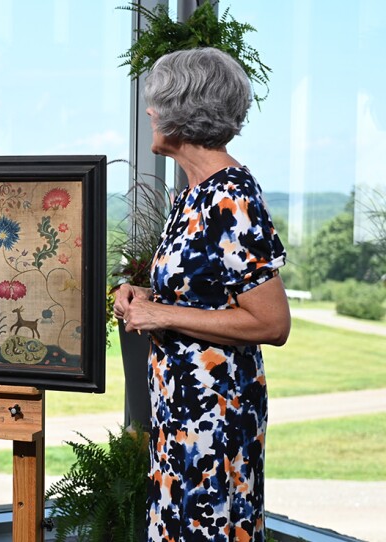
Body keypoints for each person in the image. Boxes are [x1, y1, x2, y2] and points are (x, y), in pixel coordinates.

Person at [113, 48, 291, 542]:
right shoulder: (192, 193)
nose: (149, 111)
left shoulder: (229, 197)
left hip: (215, 424)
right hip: (182, 417)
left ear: (183, 111)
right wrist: (142, 295)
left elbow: (271, 323)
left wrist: (159, 314)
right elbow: (204, 291)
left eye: (157, 102)